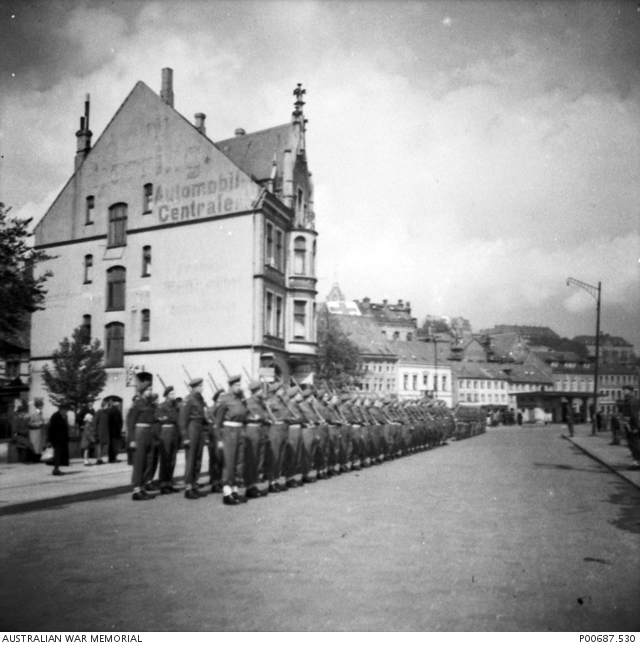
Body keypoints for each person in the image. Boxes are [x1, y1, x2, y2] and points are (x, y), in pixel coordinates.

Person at [214, 374, 249, 505]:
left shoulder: (240, 399)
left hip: (240, 431)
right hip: (229, 431)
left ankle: (235, 490)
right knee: (229, 461)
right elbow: (217, 421)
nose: (239, 387)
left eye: (239, 385)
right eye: (236, 385)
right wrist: (219, 439)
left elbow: (245, 414)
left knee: (239, 462)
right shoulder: (225, 399)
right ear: (230, 386)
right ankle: (227, 492)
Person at [127, 372, 159, 501]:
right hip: (140, 433)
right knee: (139, 461)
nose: (149, 392)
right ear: (142, 391)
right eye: (148, 390)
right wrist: (131, 440)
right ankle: (136, 489)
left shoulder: (149, 404)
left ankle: (144, 487)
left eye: (151, 389)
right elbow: (130, 423)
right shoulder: (138, 404)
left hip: (149, 433)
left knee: (149, 461)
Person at [179, 378, 208, 500]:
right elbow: (182, 419)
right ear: (194, 387)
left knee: (198, 458)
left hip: (199, 428)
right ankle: (188, 487)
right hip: (192, 428)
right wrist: (185, 437)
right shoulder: (189, 399)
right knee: (191, 459)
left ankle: (194, 483)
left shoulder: (200, 399)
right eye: (200, 386)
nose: (202, 387)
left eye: (202, 385)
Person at [157, 386, 181, 494]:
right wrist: (171, 418)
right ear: (166, 395)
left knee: (172, 460)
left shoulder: (176, 406)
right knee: (165, 459)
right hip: (166, 432)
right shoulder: (161, 406)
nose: (173, 396)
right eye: (171, 394)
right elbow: (163, 419)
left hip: (174, 433)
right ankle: (163, 484)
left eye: (173, 393)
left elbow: (178, 419)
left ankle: (169, 483)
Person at [48, 401, 71, 476]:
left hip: (63, 439)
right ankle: (55, 470)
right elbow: (51, 428)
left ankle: (57, 469)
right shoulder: (55, 416)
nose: (66, 411)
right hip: (56, 439)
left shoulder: (65, 416)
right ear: (61, 409)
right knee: (57, 455)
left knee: (60, 455)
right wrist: (49, 440)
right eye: (65, 409)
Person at [619, 386, 640, 465]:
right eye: (623, 390)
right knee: (632, 444)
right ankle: (636, 460)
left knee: (634, 444)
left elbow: (634, 415)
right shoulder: (628, 400)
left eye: (625, 390)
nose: (623, 392)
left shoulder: (632, 401)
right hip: (629, 425)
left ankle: (637, 462)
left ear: (631, 391)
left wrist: (636, 427)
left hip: (632, 426)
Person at [28, 398, 46, 462]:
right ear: (37, 406)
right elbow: (29, 423)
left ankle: (38, 458)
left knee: (39, 446)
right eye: (41, 406)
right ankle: (34, 459)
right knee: (35, 446)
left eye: (42, 406)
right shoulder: (33, 413)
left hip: (39, 432)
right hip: (34, 432)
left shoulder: (41, 413)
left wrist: (43, 422)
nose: (42, 407)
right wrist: (38, 424)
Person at [107, 398, 123, 463]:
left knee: (111, 445)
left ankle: (110, 458)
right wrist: (119, 428)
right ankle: (114, 458)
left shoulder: (109, 410)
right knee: (115, 445)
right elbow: (118, 421)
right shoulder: (116, 411)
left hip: (110, 431)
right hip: (115, 431)